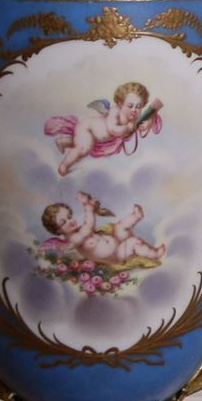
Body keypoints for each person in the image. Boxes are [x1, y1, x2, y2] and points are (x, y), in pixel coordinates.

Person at [45, 80, 163, 176]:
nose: (134, 110)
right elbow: (112, 129)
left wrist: (147, 124)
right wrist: (127, 127)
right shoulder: (115, 111)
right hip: (88, 129)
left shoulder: (132, 117)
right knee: (83, 149)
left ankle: (63, 142)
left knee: (82, 143)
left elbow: (139, 125)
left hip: (95, 137)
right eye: (130, 106)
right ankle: (64, 166)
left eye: (139, 107)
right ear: (121, 103)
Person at [40, 191, 168, 268]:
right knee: (134, 242)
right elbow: (88, 226)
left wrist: (89, 206)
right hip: (116, 256)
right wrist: (87, 207)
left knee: (119, 227)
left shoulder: (76, 231)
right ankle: (155, 254)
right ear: (58, 231)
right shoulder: (74, 239)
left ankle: (136, 216)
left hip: (117, 244)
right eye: (64, 222)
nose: (70, 221)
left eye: (69, 216)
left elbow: (89, 227)